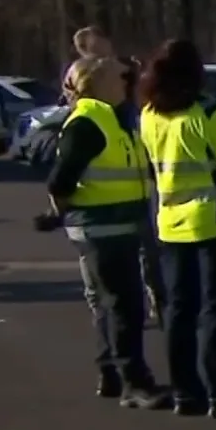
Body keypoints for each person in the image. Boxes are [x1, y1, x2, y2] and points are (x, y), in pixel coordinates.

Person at [138, 39, 216, 419]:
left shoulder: (150, 115)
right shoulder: (210, 114)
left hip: (172, 222)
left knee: (179, 311)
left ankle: (185, 391)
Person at [45, 55, 169, 409]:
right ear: (97, 83)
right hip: (102, 229)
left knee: (110, 304)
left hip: (114, 227)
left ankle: (112, 372)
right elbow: (61, 179)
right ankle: (134, 381)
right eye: (118, 77)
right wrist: (62, 211)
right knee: (124, 305)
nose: (125, 82)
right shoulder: (89, 123)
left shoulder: (111, 119)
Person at [73, 26, 166, 328]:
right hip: (100, 201)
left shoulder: (126, 71)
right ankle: (103, 316)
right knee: (100, 264)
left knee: (148, 247)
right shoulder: (81, 82)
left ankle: (157, 302)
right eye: (97, 47)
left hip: (135, 179)